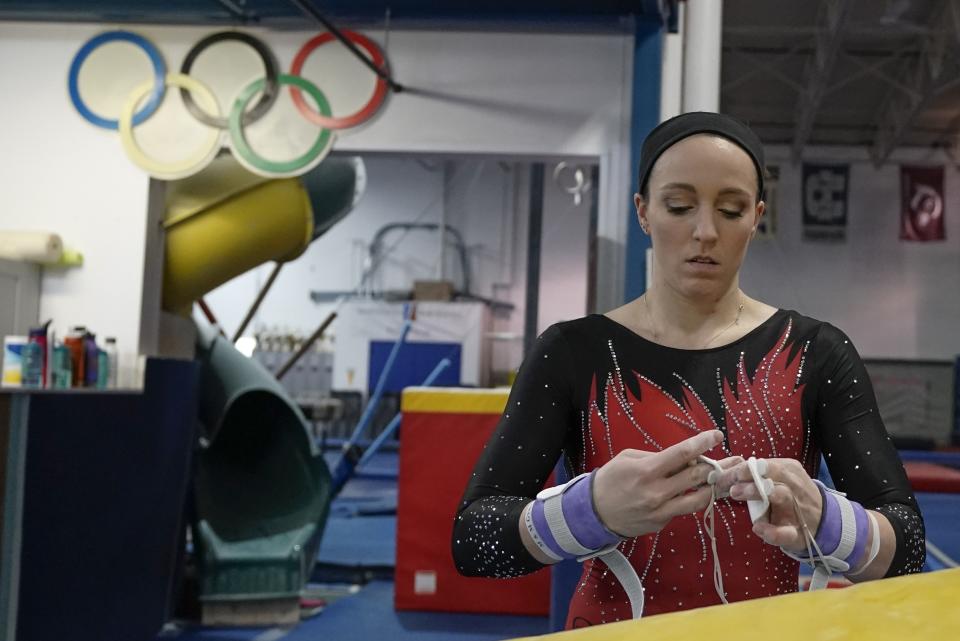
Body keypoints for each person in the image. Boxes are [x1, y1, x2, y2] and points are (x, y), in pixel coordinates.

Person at [452, 112, 925, 629]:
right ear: (644, 212)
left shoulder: (817, 352)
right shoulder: (572, 351)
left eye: (731, 209)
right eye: (678, 206)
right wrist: (589, 512)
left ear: (756, 217)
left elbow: (907, 548)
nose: (704, 232)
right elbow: (472, 541)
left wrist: (827, 520)